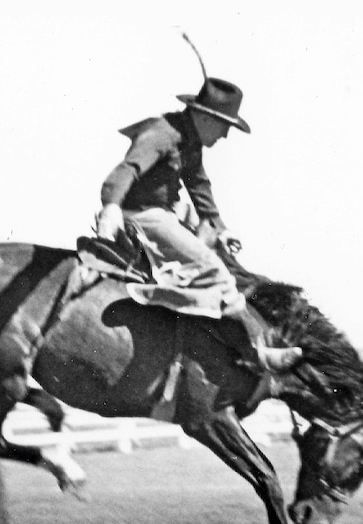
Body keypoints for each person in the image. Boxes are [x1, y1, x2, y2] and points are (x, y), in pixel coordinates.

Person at [94, 77, 302, 372]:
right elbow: (127, 169)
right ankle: (255, 354)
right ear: (205, 117)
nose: (226, 136)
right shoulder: (162, 134)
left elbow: (199, 185)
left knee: (214, 252)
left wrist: (220, 226)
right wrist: (111, 206)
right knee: (214, 270)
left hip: (165, 212)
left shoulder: (189, 140)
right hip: (141, 215)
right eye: (225, 126)